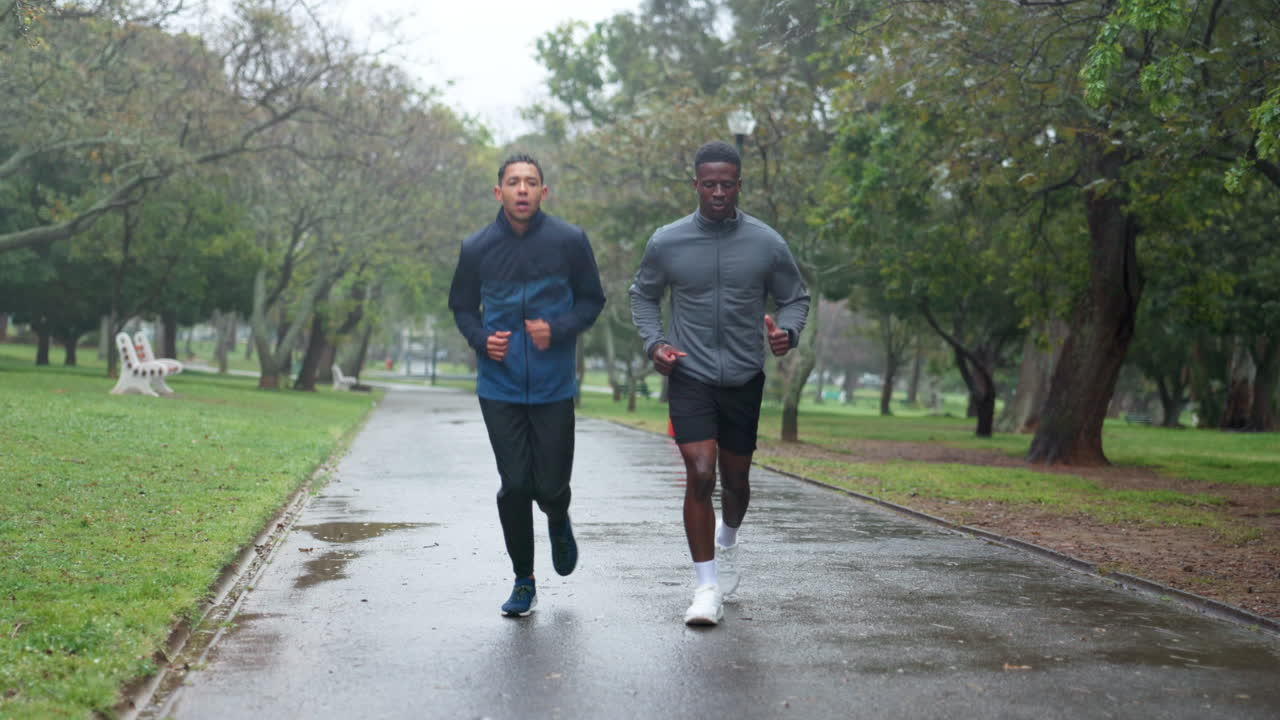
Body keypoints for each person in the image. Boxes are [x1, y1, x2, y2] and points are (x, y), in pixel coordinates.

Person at [629, 141, 809, 626]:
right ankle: (705, 587)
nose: (718, 192)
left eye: (727, 184)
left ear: (738, 184)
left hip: (744, 376)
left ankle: (728, 539)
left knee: (736, 480)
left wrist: (786, 334)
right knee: (701, 472)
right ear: (695, 184)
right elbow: (642, 296)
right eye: (709, 184)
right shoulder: (667, 241)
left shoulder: (766, 242)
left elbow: (796, 297)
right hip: (689, 372)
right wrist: (654, 345)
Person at [449, 153, 605, 617]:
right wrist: (481, 340)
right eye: (513, 182)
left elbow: (592, 300)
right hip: (499, 385)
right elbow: (461, 307)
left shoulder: (569, 241)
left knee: (551, 485)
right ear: (498, 192)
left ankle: (558, 516)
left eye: (530, 182)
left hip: (555, 384)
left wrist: (556, 330)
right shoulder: (476, 247)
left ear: (543, 192)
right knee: (515, 484)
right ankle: (523, 579)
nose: (522, 189)